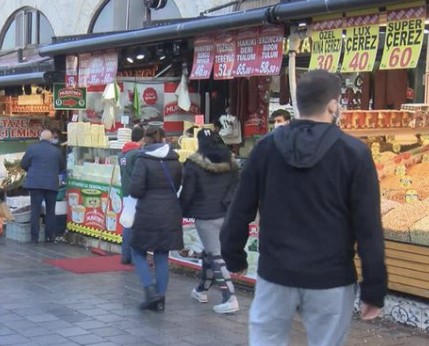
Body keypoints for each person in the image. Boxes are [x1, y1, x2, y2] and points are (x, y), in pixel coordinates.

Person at [221, 70, 387, 345]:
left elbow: (239, 208)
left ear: (298, 104)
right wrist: (374, 288)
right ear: (333, 105)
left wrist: (234, 257)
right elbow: (368, 227)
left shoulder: (266, 148)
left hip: (275, 272)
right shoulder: (354, 153)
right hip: (331, 277)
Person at [179, 130, 239, 313]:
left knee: (215, 255)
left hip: (205, 215)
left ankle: (230, 298)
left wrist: (181, 211)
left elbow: (188, 192)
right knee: (209, 251)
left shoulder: (193, 164)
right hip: (227, 213)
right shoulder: (231, 163)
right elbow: (238, 187)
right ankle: (201, 290)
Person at [129, 127, 183, 311]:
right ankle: (160, 299)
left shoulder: (143, 160)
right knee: (162, 255)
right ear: (165, 139)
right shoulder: (175, 160)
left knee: (137, 251)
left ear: (146, 140)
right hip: (170, 212)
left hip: (147, 212)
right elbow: (176, 186)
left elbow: (135, 190)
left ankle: (150, 291)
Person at [20, 130, 64, 244]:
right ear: (51, 139)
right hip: (51, 184)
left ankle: (34, 238)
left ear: (40, 138)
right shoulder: (57, 151)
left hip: (35, 184)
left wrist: (32, 170)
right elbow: (62, 167)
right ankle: (49, 237)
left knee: (35, 211)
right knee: (50, 211)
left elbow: (23, 164)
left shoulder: (32, 149)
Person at [117, 126, 144, 264]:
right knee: (136, 225)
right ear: (142, 139)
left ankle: (125, 256)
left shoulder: (122, 154)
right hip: (136, 192)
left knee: (128, 224)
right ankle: (135, 258)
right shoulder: (137, 154)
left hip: (125, 192)